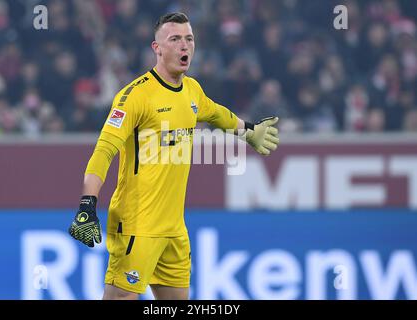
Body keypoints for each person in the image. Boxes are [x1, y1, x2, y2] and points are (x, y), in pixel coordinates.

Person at [68, 12, 280, 300]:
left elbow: (218, 114)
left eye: (189, 39)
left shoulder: (192, 91)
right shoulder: (134, 97)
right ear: (157, 48)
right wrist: (87, 203)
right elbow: (104, 150)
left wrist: (249, 130)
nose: (184, 46)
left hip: (174, 229)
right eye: (175, 39)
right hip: (137, 225)